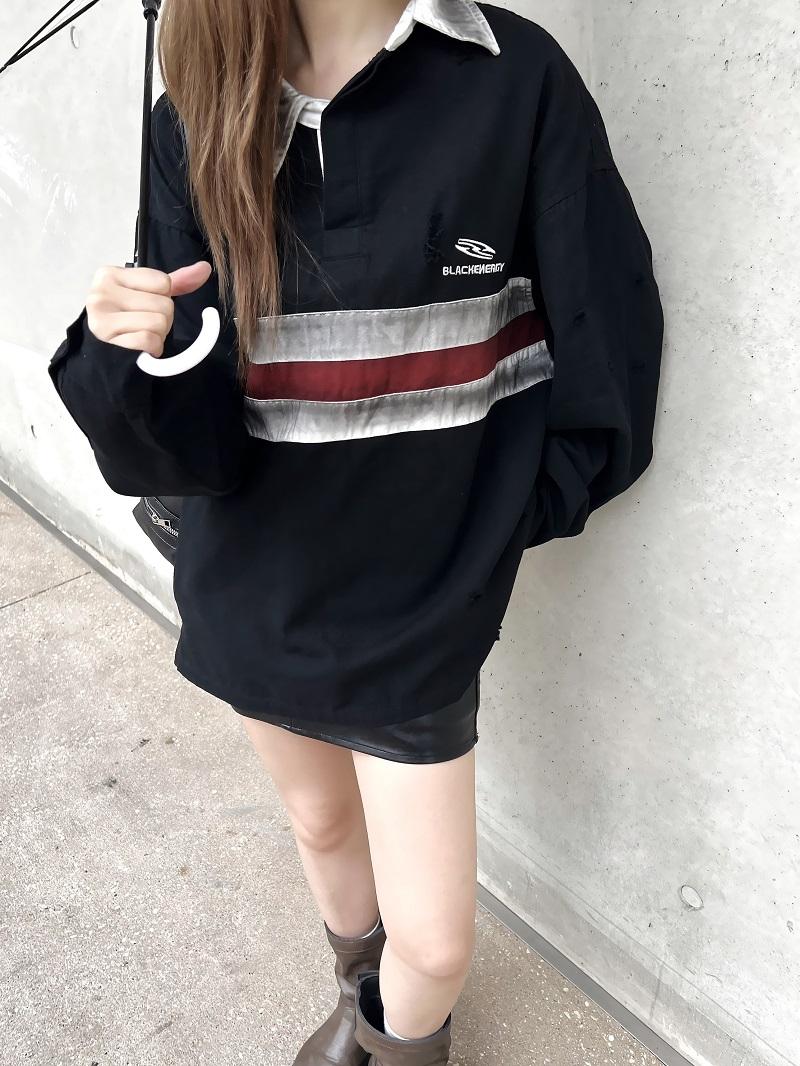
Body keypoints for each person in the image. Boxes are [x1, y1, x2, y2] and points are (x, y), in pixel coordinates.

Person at [47, 0, 664, 1062]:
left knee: (435, 940)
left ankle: (395, 1042)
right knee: (322, 824)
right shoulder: (195, 115)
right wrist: (131, 352)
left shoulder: (514, 77)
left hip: (424, 611)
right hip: (256, 587)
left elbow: (606, 339)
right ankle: (354, 994)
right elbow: (191, 450)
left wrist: (503, 521)